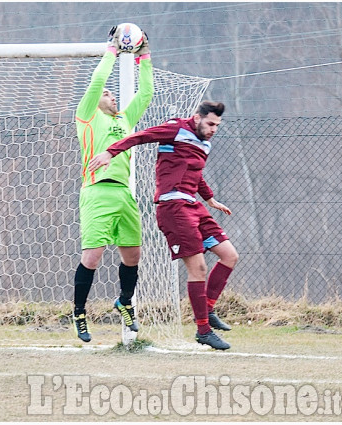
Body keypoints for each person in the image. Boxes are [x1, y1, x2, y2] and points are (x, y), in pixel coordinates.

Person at [87, 101, 238, 350]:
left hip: (194, 205)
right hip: (173, 207)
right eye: (210, 123)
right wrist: (110, 152)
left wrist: (209, 198)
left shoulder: (205, 142)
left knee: (229, 256)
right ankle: (203, 330)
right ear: (197, 117)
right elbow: (140, 136)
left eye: (217, 126)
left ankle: (207, 310)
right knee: (198, 268)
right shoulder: (175, 129)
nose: (213, 129)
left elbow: (195, 172)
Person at [72, 25, 154, 342]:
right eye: (108, 93)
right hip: (96, 192)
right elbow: (96, 82)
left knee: (132, 255)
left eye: (112, 92)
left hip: (124, 193)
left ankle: (124, 301)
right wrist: (112, 50)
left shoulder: (125, 120)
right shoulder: (88, 115)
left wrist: (144, 54)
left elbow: (145, 94)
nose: (111, 94)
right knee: (92, 257)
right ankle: (79, 313)